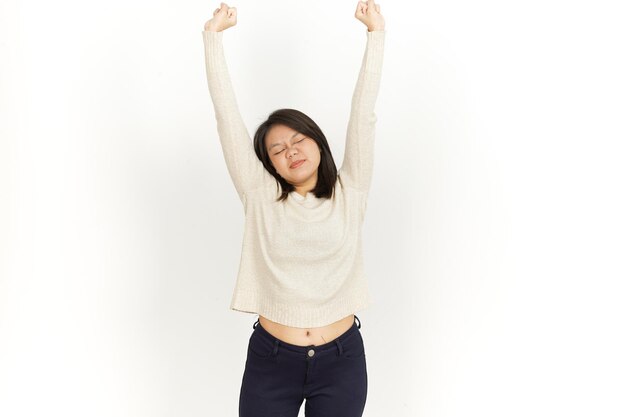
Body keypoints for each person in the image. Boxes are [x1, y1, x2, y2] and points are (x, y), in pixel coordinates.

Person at [202, 2, 385, 416]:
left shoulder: (350, 192)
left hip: (342, 362)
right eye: (278, 149)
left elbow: (364, 115)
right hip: (271, 362)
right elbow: (226, 118)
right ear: (270, 165)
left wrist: (375, 35)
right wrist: (213, 38)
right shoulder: (260, 197)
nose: (291, 151)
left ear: (317, 141)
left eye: (297, 139)